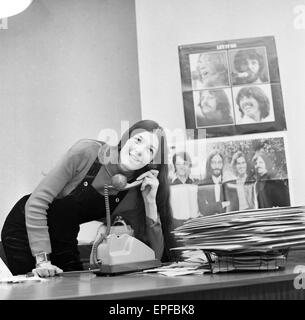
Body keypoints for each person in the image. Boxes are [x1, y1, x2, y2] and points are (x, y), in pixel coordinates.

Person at [1, 120, 175, 277]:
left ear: (152, 161)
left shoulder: (131, 192)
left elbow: (154, 254)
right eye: (138, 140)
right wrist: (42, 260)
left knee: (72, 289)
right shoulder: (87, 152)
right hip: (25, 227)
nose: (139, 151)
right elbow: (36, 203)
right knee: (35, 290)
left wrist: (150, 202)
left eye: (150, 150)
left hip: (65, 237)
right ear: (125, 138)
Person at [197, 151, 230, 216]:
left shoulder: (228, 183)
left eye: (219, 162)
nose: (217, 166)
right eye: (213, 162)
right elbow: (203, 209)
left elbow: (232, 205)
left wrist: (211, 206)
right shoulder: (202, 185)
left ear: (223, 164)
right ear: (209, 164)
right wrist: (221, 204)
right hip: (209, 223)